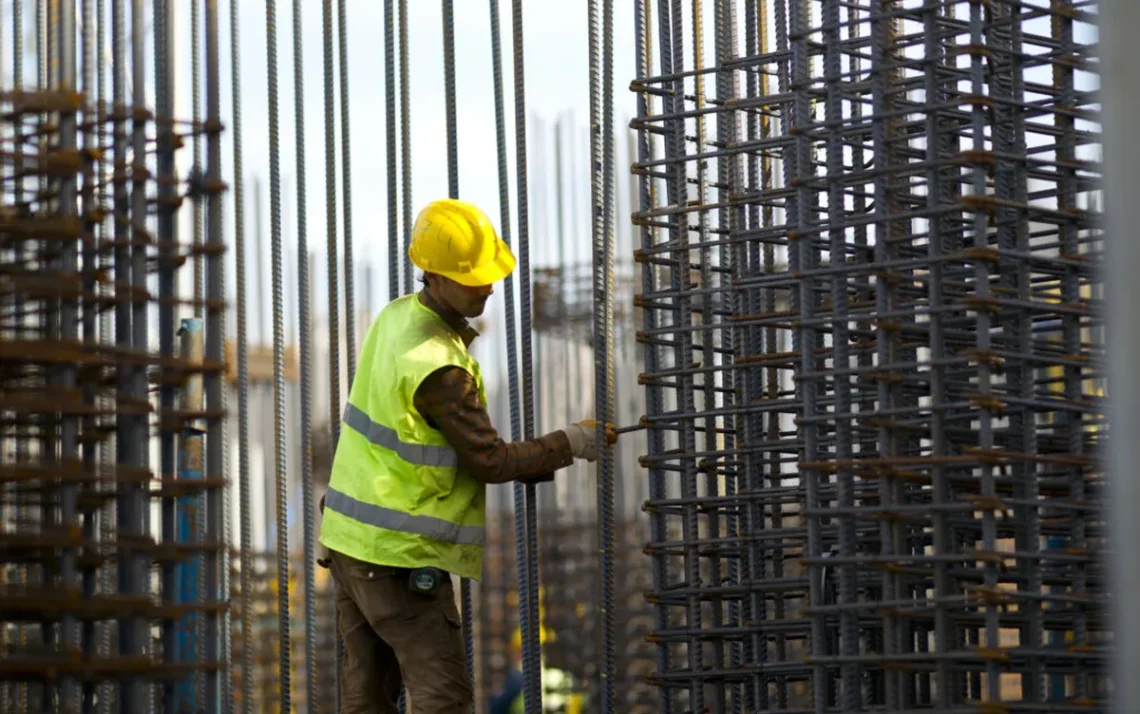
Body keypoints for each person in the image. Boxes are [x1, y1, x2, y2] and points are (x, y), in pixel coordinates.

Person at [318, 198, 618, 714]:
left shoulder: (396, 318)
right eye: (474, 277)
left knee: (365, 702)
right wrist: (573, 442)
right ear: (433, 275)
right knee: (444, 701)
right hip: (398, 559)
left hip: (349, 545)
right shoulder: (440, 367)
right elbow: (491, 461)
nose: (488, 286)